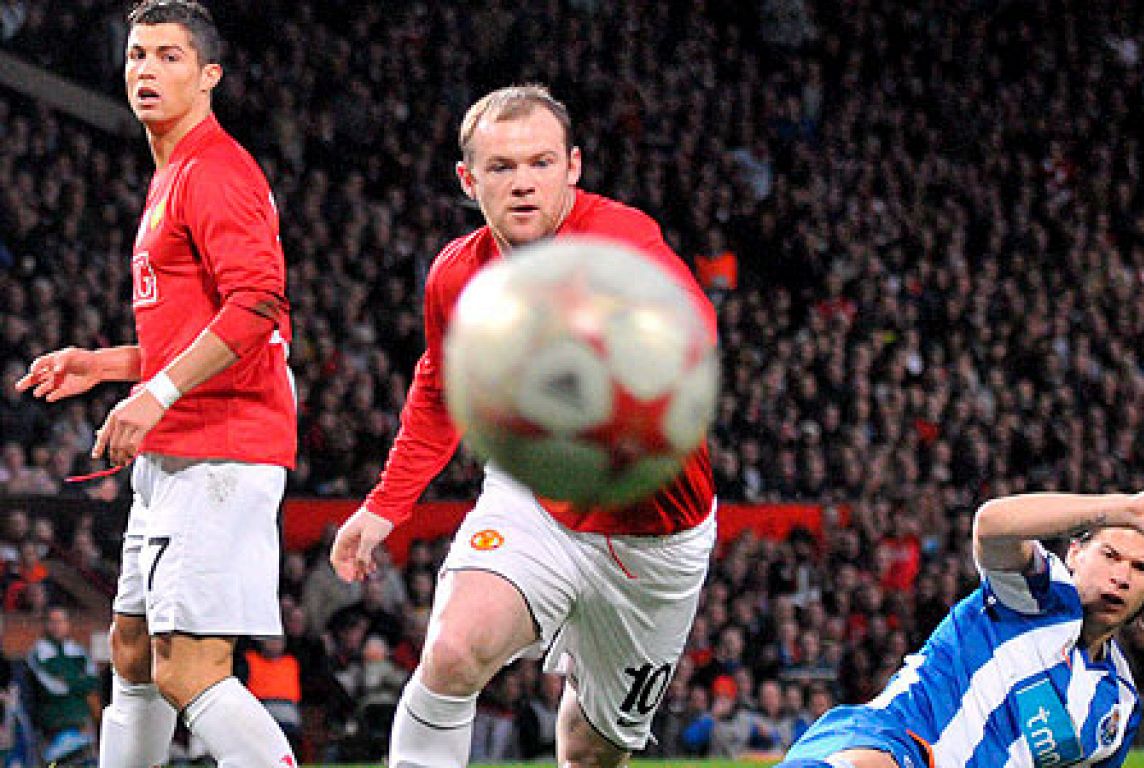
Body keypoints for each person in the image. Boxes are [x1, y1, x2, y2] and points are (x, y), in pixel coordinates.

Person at [328, 84, 717, 768]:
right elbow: (440, 390)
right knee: (451, 652)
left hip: (655, 544)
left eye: (539, 163)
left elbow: (694, 331)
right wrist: (385, 505)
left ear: (573, 167)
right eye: (501, 168)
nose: (522, 184)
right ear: (468, 179)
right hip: (534, 496)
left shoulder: (621, 240)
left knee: (589, 749)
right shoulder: (456, 275)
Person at [13, 2, 298, 765]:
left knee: (187, 667)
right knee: (133, 651)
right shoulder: (171, 176)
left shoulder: (216, 171)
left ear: (209, 76)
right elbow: (192, 333)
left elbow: (259, 307)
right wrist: (104, 364)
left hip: (222, 452)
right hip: (177, 453)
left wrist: (158, 394)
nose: (146, 69)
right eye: (138, 54)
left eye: (170, 56)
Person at [777, 484, 1144, 768]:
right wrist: (1124, 510)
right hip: (893, 743)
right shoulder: (1038, 596)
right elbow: (992, 525)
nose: (1122, 576)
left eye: (1141, 568)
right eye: (1109, 556)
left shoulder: (1117, 704)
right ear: (1074, 554)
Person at [24, 607, 97, 763]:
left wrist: (67, 680)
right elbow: (54, 688)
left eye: (62, 621)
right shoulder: (37, 653)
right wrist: (78, 681)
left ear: (68, 624)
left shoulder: (79, 652)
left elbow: (92, 682)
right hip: (52, 728)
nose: (57, 626)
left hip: (82, 724)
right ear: (45, 624)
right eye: (53, 621)